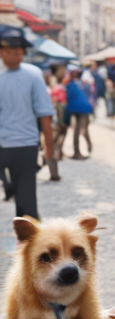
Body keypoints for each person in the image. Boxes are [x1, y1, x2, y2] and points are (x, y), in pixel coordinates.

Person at [0, 26, 55, 219]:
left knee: (26, 202)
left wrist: (49, 147)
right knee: (17, 191)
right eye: (12, 51)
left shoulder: (33, 74)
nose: (17, 56)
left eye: (20, 52)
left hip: (25, 145)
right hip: (4, 144)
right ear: (2, 51)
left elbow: (44, 113)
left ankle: (31, 241)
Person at [65, 67, 93, 160]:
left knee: (77, 130)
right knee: (83, 129)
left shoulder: (71, 84)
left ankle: (78, 152)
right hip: (84, 108)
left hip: (76, 108)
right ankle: (87, 147)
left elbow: (68, 96)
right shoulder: (83, 84)